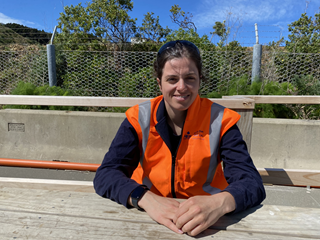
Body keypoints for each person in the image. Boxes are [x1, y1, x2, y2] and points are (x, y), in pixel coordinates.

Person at [94, 40, 266, 236]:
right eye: (172, 79)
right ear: (159, 83)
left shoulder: (221, 120)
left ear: (200, 80)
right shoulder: (138, 118)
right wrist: (145, 198)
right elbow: (106, 174)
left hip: (208, 223)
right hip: (147, 218)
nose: (182, 87)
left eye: (190, 78)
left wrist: (219, 203)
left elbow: (251, 182)